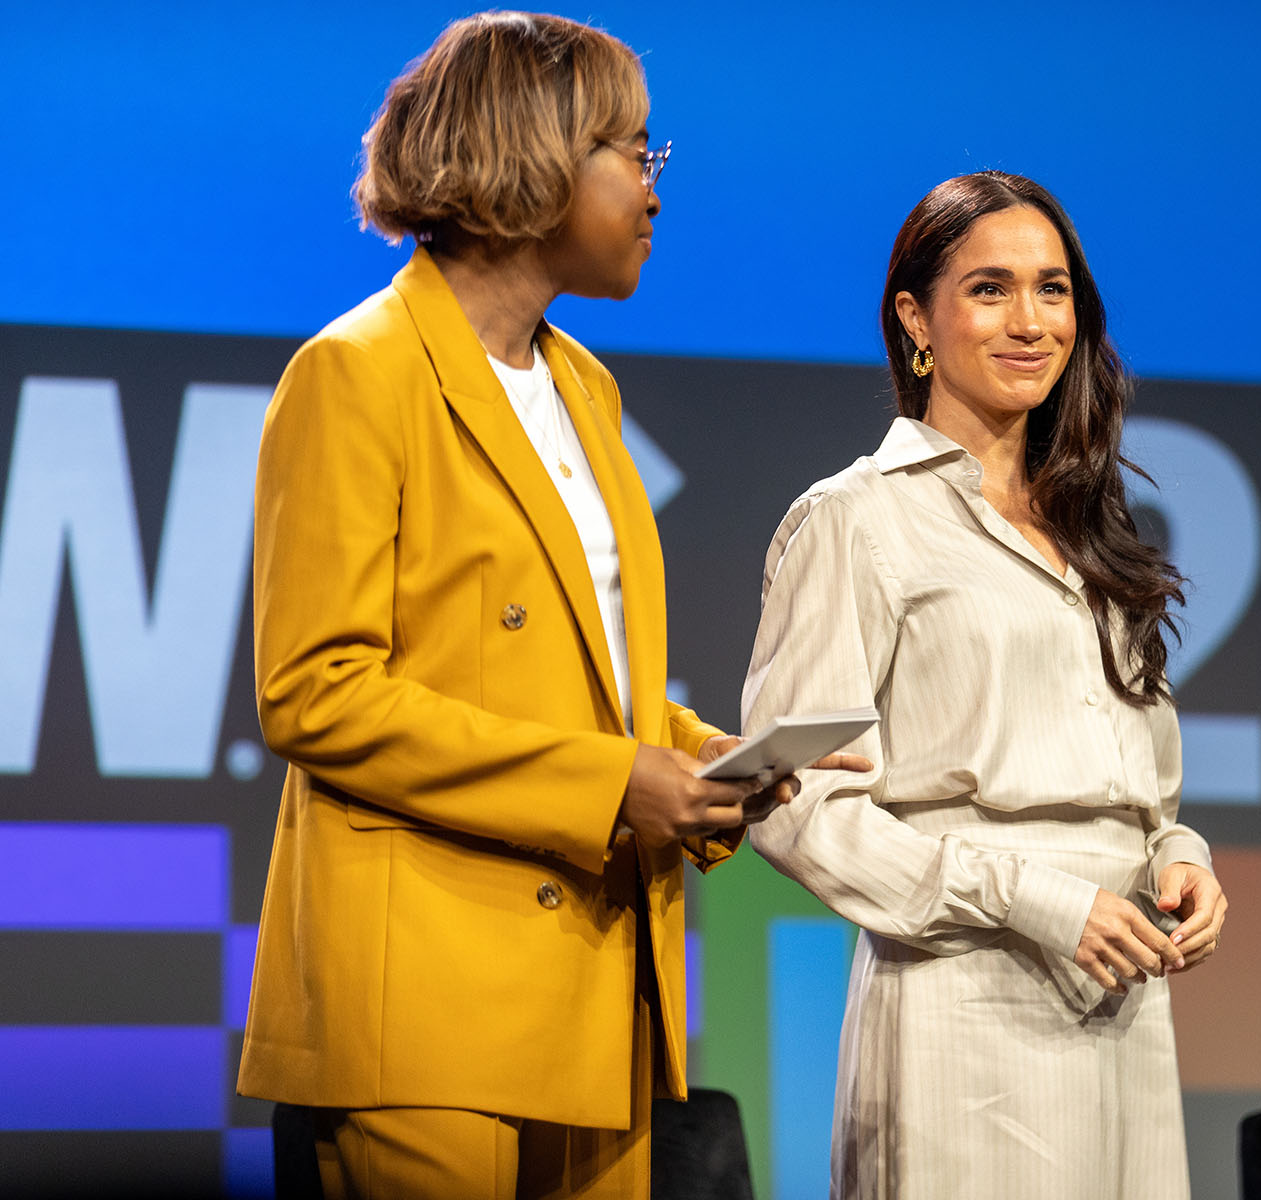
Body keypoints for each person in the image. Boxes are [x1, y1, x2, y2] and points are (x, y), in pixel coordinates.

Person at [238, 13, 860, 1198]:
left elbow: (578, 682)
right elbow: (315, 693)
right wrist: (617, 785)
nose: (654, 186)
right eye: (631, 149)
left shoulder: (586, 387)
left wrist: (709, 757)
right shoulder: (355, 373)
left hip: (594, 989)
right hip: (419, 1005)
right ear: (530, 160)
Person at [741, 171, 1228, 1198]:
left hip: (1125, 999)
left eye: (1053, 290)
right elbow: (798, 809)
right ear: (916, 318)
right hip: (964, 1005)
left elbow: (1146, 780)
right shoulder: (855, 520)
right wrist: (1035, 898)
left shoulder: (1092, 529)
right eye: (990, 289)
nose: (1031, 321)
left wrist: (1180, 857)